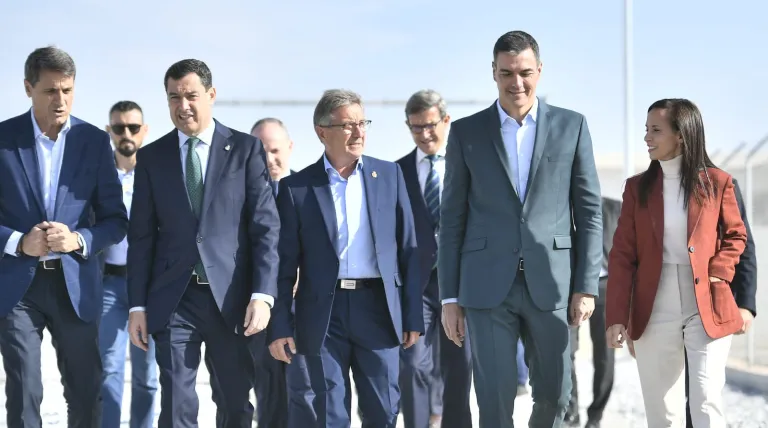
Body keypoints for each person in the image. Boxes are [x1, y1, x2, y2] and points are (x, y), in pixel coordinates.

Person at [438, 30, 603, 428]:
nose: (517, 82)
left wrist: (586, 285)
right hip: (486, 286)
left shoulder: (572, 126)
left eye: (525, 72)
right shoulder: (466, 132)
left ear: (539, 71)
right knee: (493, 402)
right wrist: (450, 298)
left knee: (556, 395)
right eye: (507, 73)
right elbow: (452, 218)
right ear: (493, 72)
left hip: (552, 283)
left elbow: (588, 211)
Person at [127, 58, 280, 428]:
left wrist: (262, 295)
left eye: (191, 96)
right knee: (176, 404)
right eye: (174, 97)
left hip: (232, 299)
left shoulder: (245, 149)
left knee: (235, 403)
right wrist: (137, 305)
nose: (183, 106)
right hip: (175, 299)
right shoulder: (151, 157)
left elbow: (265, 228)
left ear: (211, 95)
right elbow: (142, 237)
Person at [268, 89, 424, 428]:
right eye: (348, 125)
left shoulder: (389, 176)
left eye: (362, 123)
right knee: (329, 415)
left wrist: (412, 314)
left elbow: (409, 249)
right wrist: (279, 325)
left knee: (384, 411)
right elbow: (282, 267)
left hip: (378, 309)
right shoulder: (297, 189)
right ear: (322, 132)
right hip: (324, 315)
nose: (358, 132)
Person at [0, 46, 129, 427]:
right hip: (18, 288)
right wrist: (19, 242)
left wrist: (79, 239)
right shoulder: (3, 139)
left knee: (86, 393)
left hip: (76, 285)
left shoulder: (93, 140)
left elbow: (115, 220)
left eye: (67, 90)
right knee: (24, 391)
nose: (60, 100)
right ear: (28, 88)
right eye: (50, 91)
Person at [606, 98, 747, 428]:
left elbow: (736, 235)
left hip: (707, 300)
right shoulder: (636, 188)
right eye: (646, 129)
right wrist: (616, 316)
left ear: (681, 135)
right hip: (654, 302)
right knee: (662, 411)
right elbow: (622, 255)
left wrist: (719, 273)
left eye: (656, 130)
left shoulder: (718, 182)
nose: (647, 137)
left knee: (706, 400)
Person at [395, 89, 473, 428]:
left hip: (461, 282)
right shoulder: (397, 172)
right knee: (413, 364)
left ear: (446, 120)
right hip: (417, 285)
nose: (424, 134)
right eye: (416, 127)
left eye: (430, 125)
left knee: (460, 366)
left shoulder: (468, 165)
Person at [248, 117, 312, 428]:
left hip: (303, 306)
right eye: (262, 151)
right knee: (269, 393)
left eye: (275, 150)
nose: (269, 158)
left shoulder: (309, 191)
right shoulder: (241, 196)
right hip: (257, 309)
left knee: (305, 390)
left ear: (289, 147)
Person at [99, 101, 158, 428]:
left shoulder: (157, 173)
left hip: (147, 287)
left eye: (133, 127)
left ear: (144, 130)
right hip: (109, 282)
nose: (126, 134)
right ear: (109, 130)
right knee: (108, 368)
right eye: (119, 127)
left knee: (147, 374)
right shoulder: (98, 173)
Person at [684, 178, 757, 427]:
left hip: (710, 305)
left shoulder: (722, 184)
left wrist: (745, 304)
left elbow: (744, 245)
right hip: (668, 304)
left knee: (703, 389)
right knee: (677, 389)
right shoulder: (658, 185)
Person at [564, 196, 622, 428]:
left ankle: (596, 416)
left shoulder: (616, 208)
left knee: (605, 355)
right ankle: (571, 413)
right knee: (565, 351)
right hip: (571, 289)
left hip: (607, 287)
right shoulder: (564, 208)